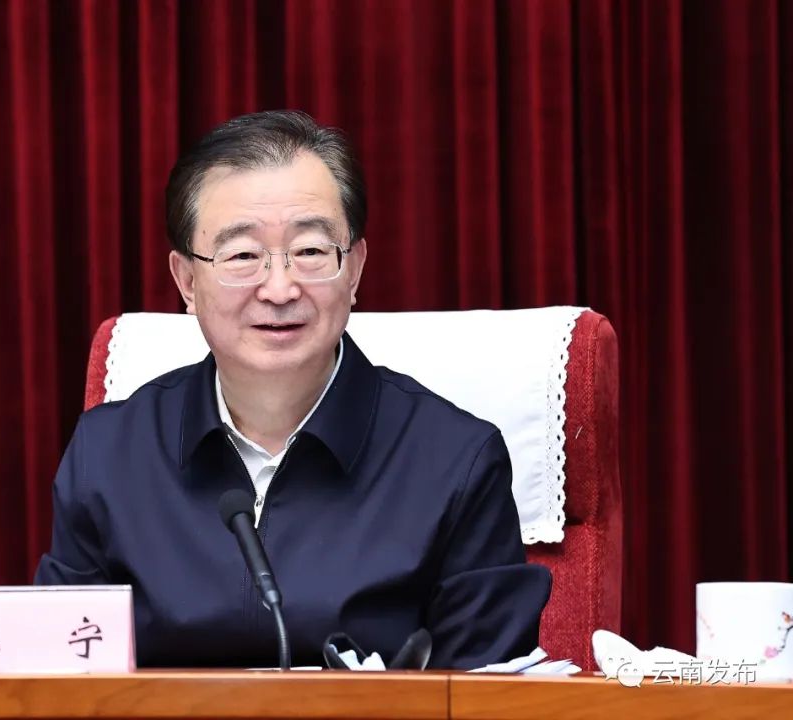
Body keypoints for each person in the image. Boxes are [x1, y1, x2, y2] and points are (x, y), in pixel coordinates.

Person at [35, 110, 551, 669]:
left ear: (354, 270)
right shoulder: (108, 454)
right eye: (242, 256)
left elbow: (489, 694)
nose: (279, 289)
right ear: (187, 282)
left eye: (310, 251)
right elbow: (58, 672)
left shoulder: (455, 461)